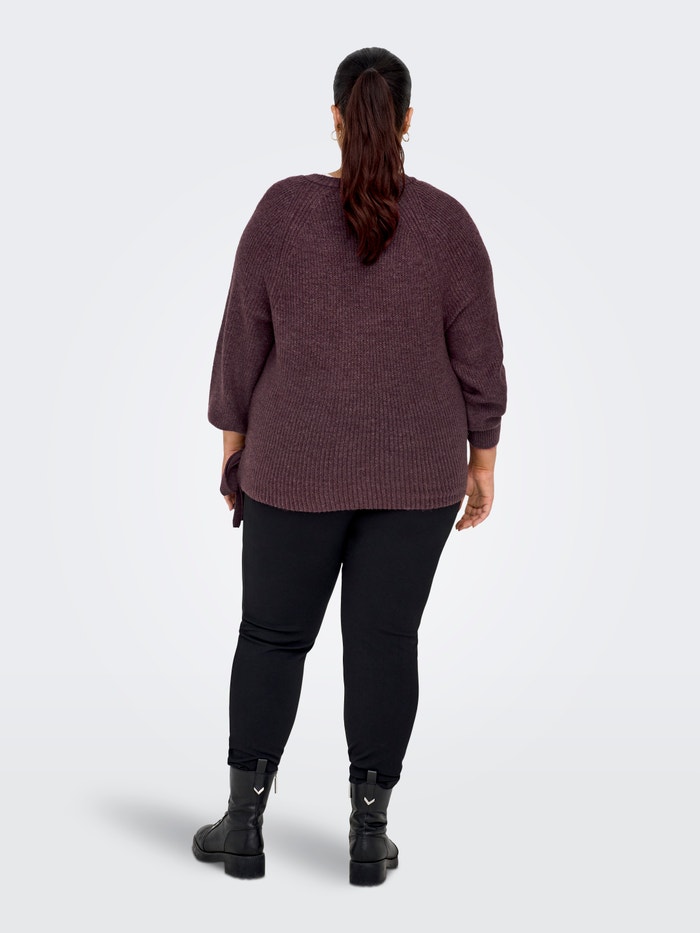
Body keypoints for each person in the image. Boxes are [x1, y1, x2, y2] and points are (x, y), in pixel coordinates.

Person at [192, 46, 508, 886]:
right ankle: (370, 835)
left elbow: (241, 342)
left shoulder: (281, 212)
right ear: (407, 121)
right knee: (384, 642)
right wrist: (482, 460)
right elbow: (481, 361)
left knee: (272, 636)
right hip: (417, 477)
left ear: (336, 117)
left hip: (291, 465)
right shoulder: (448, 225)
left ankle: (244, 825)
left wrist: (234, 450)